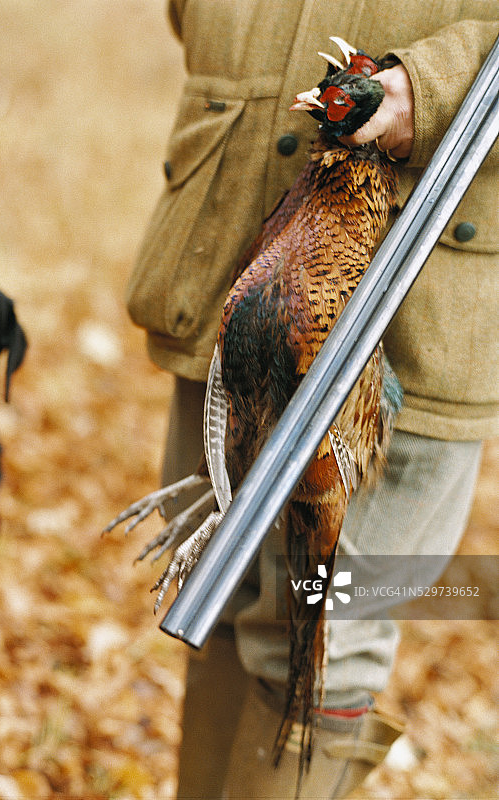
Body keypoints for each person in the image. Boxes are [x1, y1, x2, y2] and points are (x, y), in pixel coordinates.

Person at [125, 2, 499, 798]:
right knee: (220, 595)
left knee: (319, 628)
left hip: (414, 286)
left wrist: (426, 89)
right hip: (233, 234)